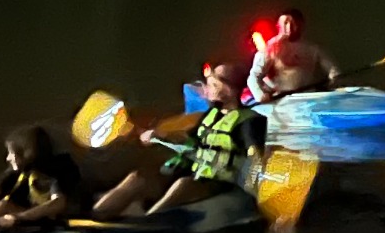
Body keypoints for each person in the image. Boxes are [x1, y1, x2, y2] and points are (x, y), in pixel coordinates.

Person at [93, 84, 268, 218]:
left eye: (214, 83)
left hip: (222, 183)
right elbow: (190, 141)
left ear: (230, 89)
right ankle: (94, 220)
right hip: (198, 174)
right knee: (137, 178)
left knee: (183, 185)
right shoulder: (211, 115)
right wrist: (159, 136)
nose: (206, 86)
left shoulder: (249, 122)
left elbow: (256, 156)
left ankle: (149, 224)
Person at [248, 9, 339, 101]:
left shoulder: (313, 49)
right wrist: (260, 95)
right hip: (280, 100)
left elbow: (333, 71)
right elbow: (253, 77)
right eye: (285, 23)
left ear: (301, 25)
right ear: (278, 25)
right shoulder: (270, 48)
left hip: (308, 98)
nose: (289, 27)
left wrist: (336, 82)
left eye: (294, 23)